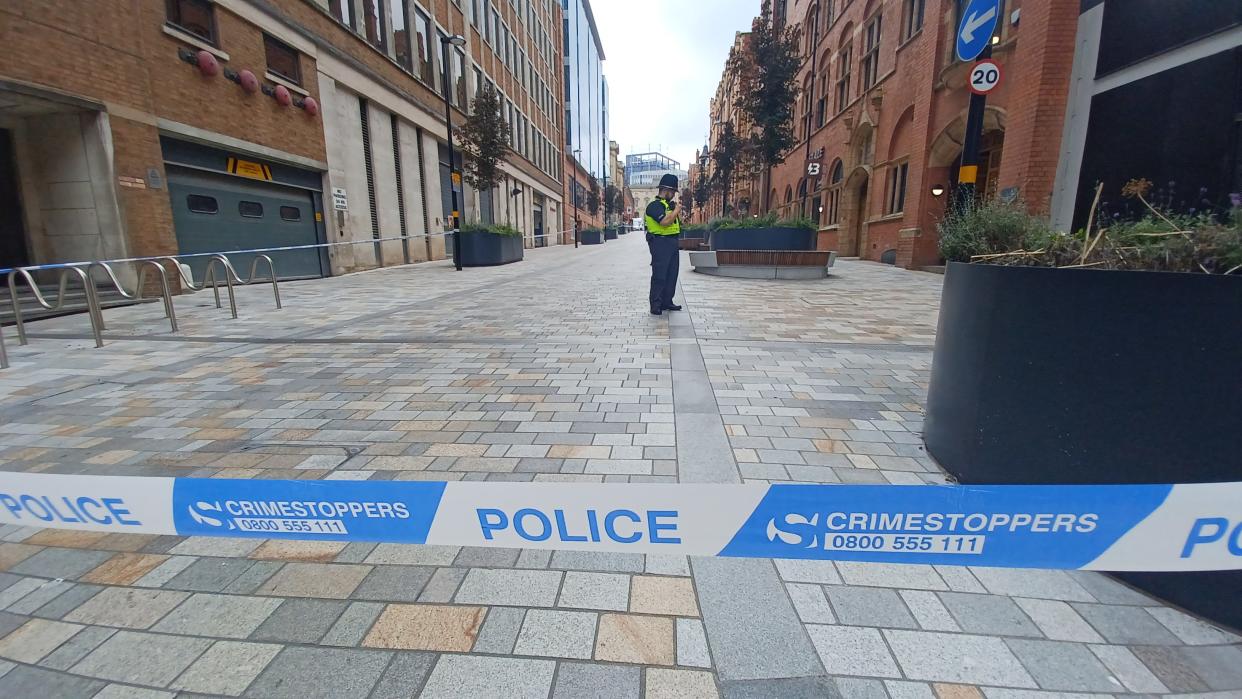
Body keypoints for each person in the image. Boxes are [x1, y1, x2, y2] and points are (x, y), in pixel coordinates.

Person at [644, 173, 683, 316]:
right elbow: (665, 222)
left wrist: (675, 211)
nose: (673, 195)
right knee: (660, 274)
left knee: (672, 274)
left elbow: (676, 223)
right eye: (672, 192)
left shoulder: (669, 206)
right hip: (659, 242)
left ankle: (667, 301)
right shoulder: (654, 206)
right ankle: (656, 304)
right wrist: (676, 211)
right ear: (665, 190)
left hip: (672, 242)